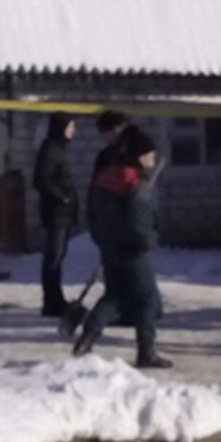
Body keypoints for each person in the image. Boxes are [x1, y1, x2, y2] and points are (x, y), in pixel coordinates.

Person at [72, 126, 171, 369]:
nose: (153, 160)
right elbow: (139, 220)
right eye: (149, 155)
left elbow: (91, 213)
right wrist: (148, 241)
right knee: (147, 298)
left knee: (114, 295)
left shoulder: (106, 176)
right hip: (132, 249)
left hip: (108, 245)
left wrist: (102, 239)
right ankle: (146, 352)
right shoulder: (134, 181)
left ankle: (86, 340)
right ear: (139, 155)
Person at [33, 111, 78, 316]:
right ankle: (51, 301)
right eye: (70, 127)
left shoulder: (58, 149)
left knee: (58, 256)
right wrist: (62, 197)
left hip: (63, 213)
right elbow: (41, 180)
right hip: (56, 213)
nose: (73, 130)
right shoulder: (51, 149)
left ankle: (55, 298)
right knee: (54, 257)